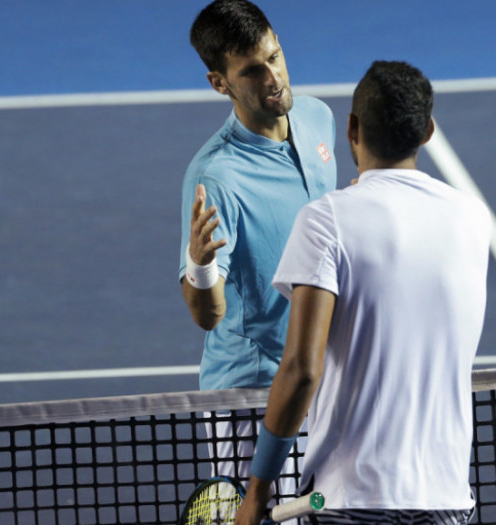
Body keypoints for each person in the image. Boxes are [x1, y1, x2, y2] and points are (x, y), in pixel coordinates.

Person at [237, 61, 492, 525]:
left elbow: (301, 369)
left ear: (352, 128)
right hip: (447, 500)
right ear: (427, 132)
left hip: (347, 500)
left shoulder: (325, 221)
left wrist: (257, 492)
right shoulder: (473, 218)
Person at [179, 0, 337, 490]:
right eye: (251, 70)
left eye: (274, 57)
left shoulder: (317, 118)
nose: (273, 78)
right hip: (253, 397)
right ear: (219, 83)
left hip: (320, 374)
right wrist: (200, 266)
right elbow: (207, 315)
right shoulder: (216, 178)